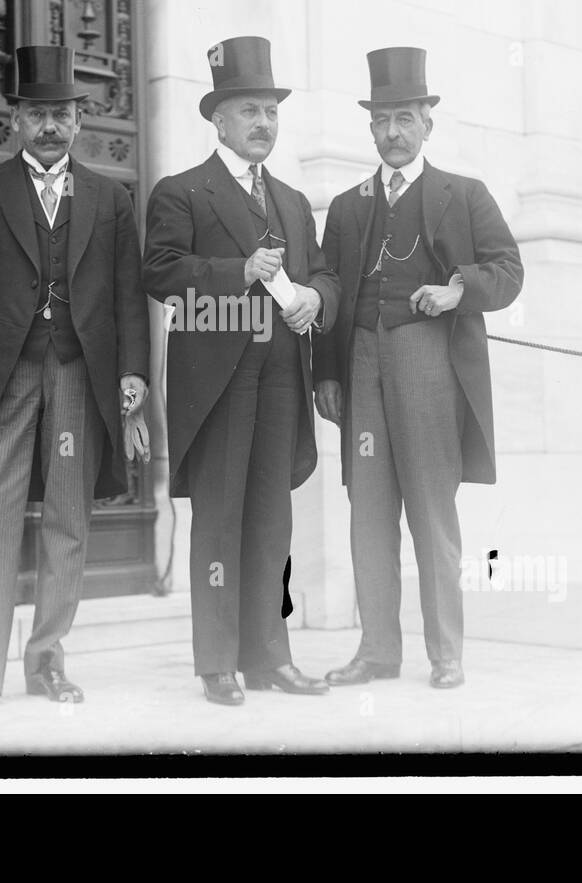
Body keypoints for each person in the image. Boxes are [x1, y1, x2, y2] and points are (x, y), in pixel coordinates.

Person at [0, 44, 150, 717]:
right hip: (3, 372)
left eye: (61, 114)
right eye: (36, 114)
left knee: (67, 517)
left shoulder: (111, 198)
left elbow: (127, 293)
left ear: (79, 121)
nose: (50, 126)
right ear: (15, 120)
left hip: (79, 371)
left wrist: (134, 372)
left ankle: (48, 659)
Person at [314, 46, 523, 690]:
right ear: (370, 129)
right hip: (363, 362)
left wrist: (460, 289)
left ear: (427, 124)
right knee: (368, 509)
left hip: (429, 359)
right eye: (382, 120)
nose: (394, 132)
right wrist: (327, 370)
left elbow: (509, 270)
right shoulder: (349, 207)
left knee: (432, 509)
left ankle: (446, 654)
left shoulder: (464, 194)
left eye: (406, 118)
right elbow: (330, 283)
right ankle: (377, 651)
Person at [143, 35, 340, 706]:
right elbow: (161, 270)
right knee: (221, 519)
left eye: (271, 112)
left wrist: (315, 297)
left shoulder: (289, 199)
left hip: (282, 373)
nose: (263, 124)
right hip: (219, 380)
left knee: (271, 518)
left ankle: (269, 656)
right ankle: (217, 663)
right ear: (218, 119)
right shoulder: (181, 193)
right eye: (249, 110)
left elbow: (322, 276)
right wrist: (235, 272)